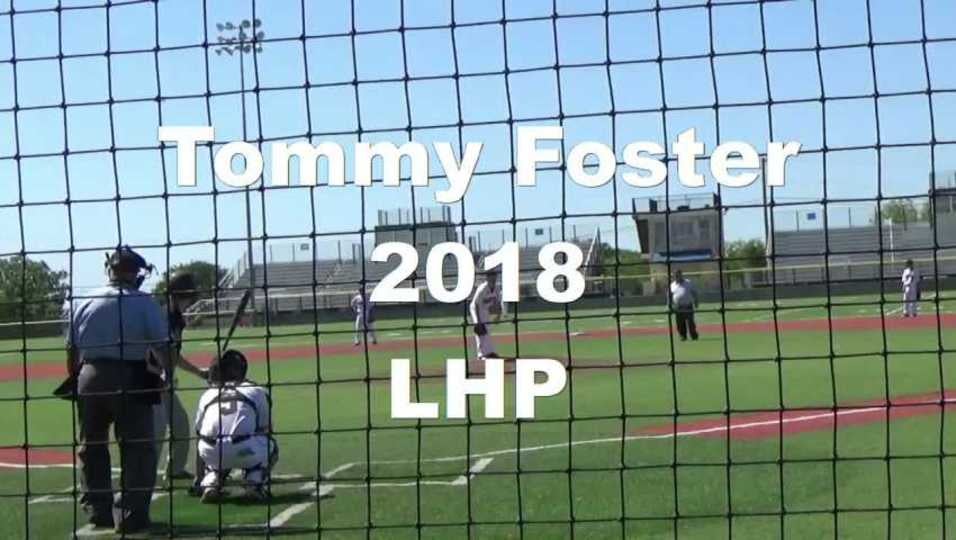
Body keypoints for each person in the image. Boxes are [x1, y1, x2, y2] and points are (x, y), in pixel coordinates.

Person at [66, 246, 169, 533]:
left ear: (109, 270)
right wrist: (166, 375)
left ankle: (98, 511)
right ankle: (131, 515)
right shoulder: (143, 302)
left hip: (90, 376)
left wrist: (77, 379)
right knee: (137, 448)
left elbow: (71, 349)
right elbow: (162, 345)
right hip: (131, 376)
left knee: (92, 446)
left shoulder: (84, 300)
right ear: (134, 273)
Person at [193, 350, 277, 503]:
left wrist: (198, 477)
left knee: (214, 445)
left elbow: (199, 435)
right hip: (244, 450)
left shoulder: (208, 394)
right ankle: (253, 482)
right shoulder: (257, 391)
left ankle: (210, 482)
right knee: (271, 445)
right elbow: (267, 429)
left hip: (210, 452)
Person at [153, 272, 208, 483]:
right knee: (157, 432)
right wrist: (198, 372)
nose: (191, 301)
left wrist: (198, 372)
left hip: (163, 381)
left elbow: (173, 356)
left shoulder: (176, 318)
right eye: (189, 297)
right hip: (152, 382)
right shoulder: (164, 316)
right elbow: (167, 354)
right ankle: (146, 474)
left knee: (180, 425)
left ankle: (174, 469)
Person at [469, 268, 506, 360]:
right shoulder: (482, 288)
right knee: (480, 330)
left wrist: (498, 316)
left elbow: (497, 303)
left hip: (485, 309)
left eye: (494, 275)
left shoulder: (496, 288)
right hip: (475, 309)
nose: (493, 278)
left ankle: (489, 351)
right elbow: (476, 304)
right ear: (487, 277)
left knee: (487, 330)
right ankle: (481, 354)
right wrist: (478, 321)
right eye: (491, 276)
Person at [669, 270, 699, 341]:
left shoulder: (688, 283)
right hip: (678, 307)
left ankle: (694, 335)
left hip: (688, 306)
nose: (677, 277)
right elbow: (669, 296)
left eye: (678, 275)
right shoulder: (672, 285)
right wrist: (670, 305)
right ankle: (683, 336)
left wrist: (696, 302)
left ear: (681, 275)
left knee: (690, 322)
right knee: (680, 323)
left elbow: (694, 293)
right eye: (675, 276)